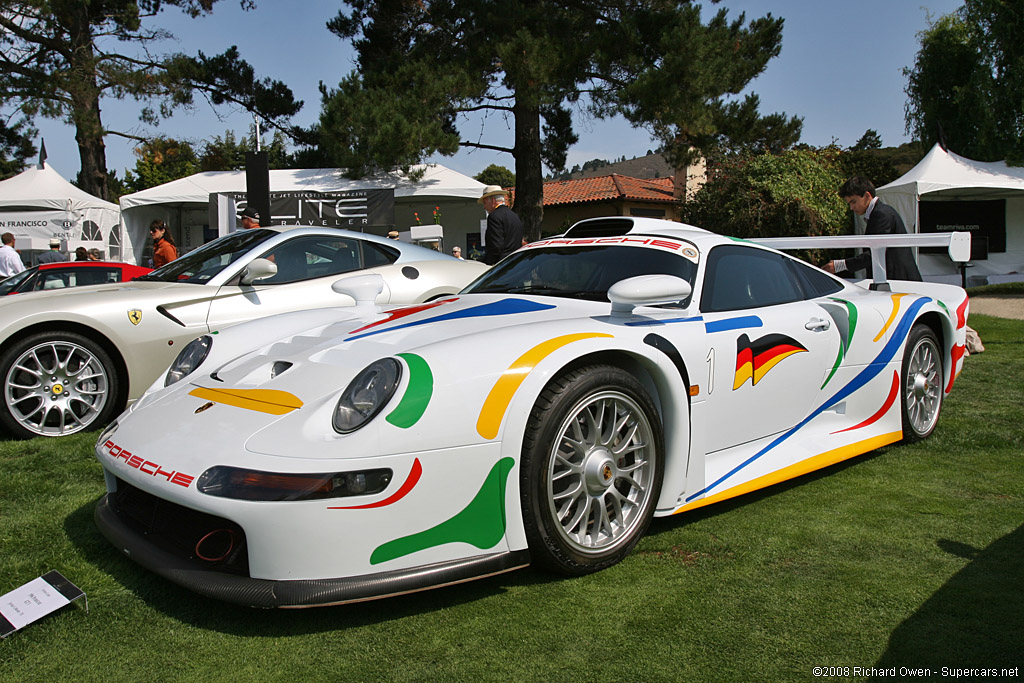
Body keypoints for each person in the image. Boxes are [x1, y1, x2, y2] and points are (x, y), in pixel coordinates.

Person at [824, 176, 922, 282]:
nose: (851, 208)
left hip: (899, 282)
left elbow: (875, 252)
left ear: (867, 195)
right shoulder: (881, 212)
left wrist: (840, 265)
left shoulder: (881, 214)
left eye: (853, 202)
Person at [479, 185, 523, 265]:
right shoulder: (514, 216)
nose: (484, 207)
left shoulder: (494, 216)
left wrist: (487, 263)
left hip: (501, 265)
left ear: (492, 200)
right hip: (515, 263)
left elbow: (495, 246)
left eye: (485, 203)